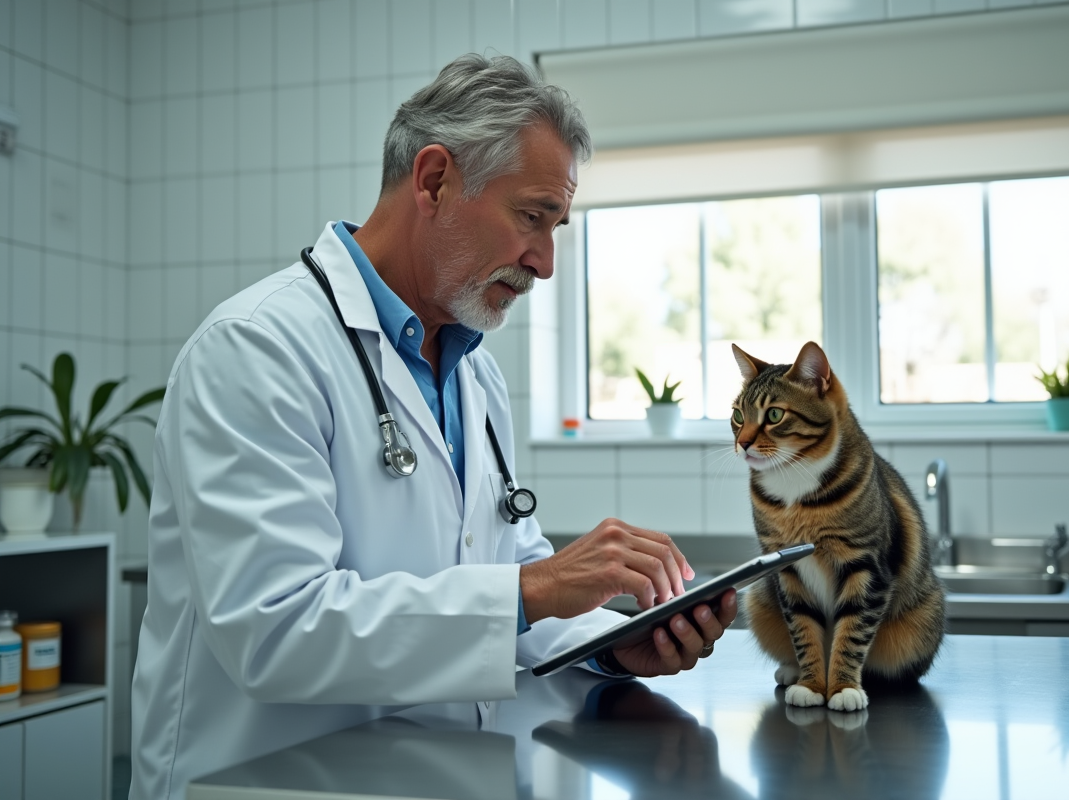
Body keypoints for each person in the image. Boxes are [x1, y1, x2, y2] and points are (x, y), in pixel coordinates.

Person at [130, 54, 738, 800]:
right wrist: (537, 586)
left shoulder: (473, 370)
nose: (545, 262)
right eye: (532, 217)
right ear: (434, 180)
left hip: (431, 777)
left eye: (557, 225)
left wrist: (611, 645)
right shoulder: (256, 349)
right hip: (261, 782)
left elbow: (505, 582)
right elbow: (277, 630)